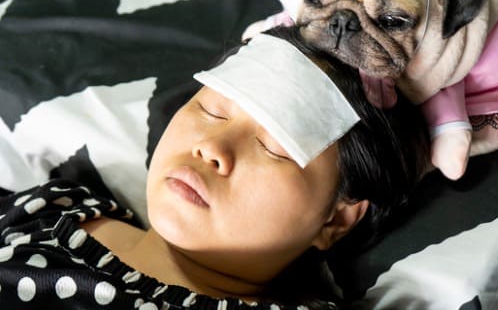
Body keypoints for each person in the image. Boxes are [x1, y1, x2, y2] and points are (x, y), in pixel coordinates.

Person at [0, 26, 429, 309]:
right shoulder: (58, 206)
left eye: (274, 146)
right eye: (211, 109)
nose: (211, 147)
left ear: (336, 216)